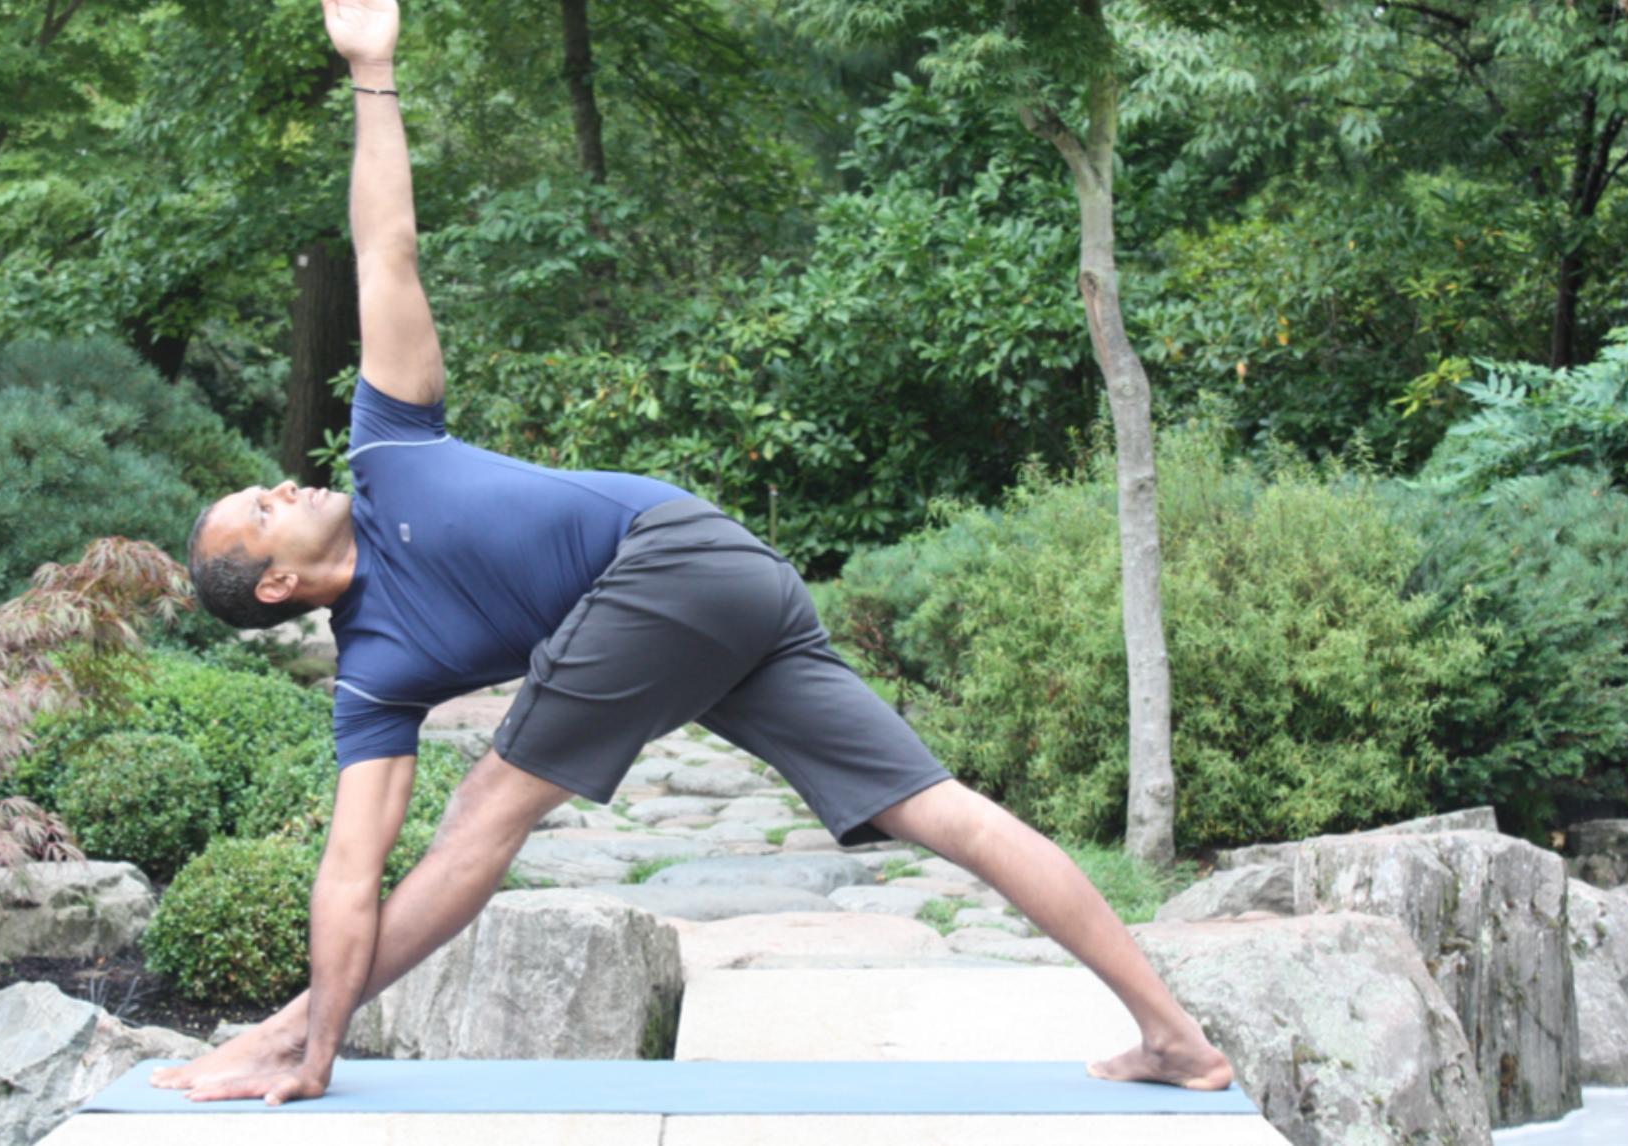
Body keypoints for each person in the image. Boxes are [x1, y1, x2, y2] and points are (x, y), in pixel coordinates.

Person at [153, 0, 1235, 1108]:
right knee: (939, 810)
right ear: (275, 584)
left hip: (681, 560)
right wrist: (315, 1023)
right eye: (262, 507)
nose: (285, 483)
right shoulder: (375, 674)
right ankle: (1177, 1038)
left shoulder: (388, 446)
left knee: (486, 809)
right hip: (713, 595)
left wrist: (372, 71)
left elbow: (387, 248)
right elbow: (349, 868)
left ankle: (295, 1040)